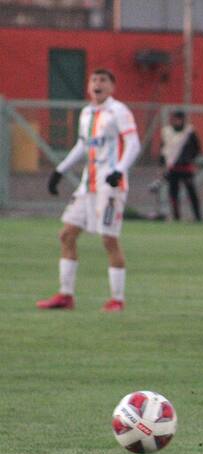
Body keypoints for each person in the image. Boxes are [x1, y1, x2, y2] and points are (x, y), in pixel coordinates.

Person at [37, 68, 140, 312]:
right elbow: (83, 145)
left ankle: (117, 299)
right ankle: (66, 296)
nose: (97, 84)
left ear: (112, 87)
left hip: (110, 186)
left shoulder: (118, 111)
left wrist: (120, 170)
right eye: (94, 79)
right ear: (88, 86)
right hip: (87, 186)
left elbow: (133, 143)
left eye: (103, 80)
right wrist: (60, 171)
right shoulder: (86, 113)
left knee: (108, 239)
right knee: (67, 235)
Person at [159, 110, 203, 222]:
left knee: (191, 192)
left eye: (179, 119)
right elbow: (163, 149)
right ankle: (176, 216)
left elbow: (197, 148)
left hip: (186, 167)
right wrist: (162, 165)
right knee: (173, 193)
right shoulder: (167, 132)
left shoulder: (189, 132)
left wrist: (189, 158)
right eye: (175, 119)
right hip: (172, 167)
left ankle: (198, 216)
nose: (177, 121)